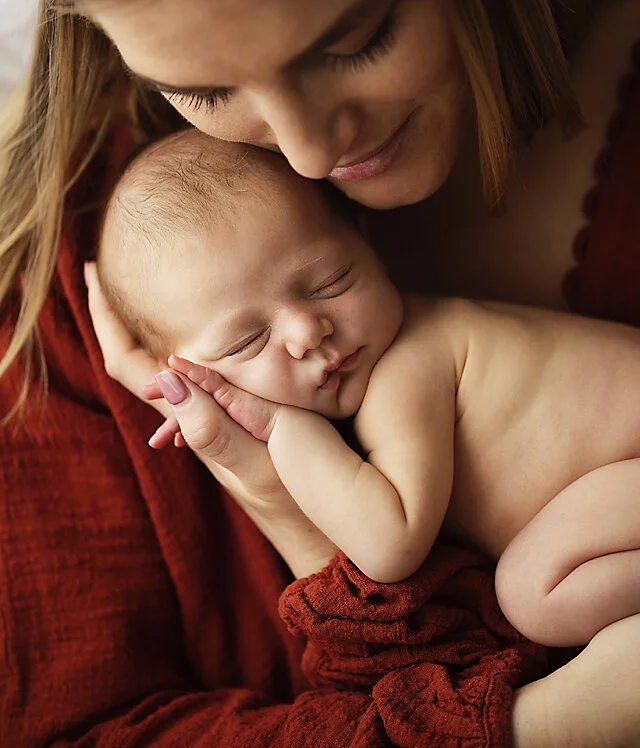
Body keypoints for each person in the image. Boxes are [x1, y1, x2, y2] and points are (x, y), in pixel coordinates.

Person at [1, 0, 640, 748]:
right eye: (205, 93)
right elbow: (71, 744)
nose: (308, 151)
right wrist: (539, 734)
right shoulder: (75, 254)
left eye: (356, 37)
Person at [98, 127, 640, 651]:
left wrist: (283, 428)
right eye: (246, 341)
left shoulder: (410, 366)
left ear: (370, 246)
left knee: (532, 594)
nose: (308, 332)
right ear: (196, 379)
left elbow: (389, 546)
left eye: (329, 282)